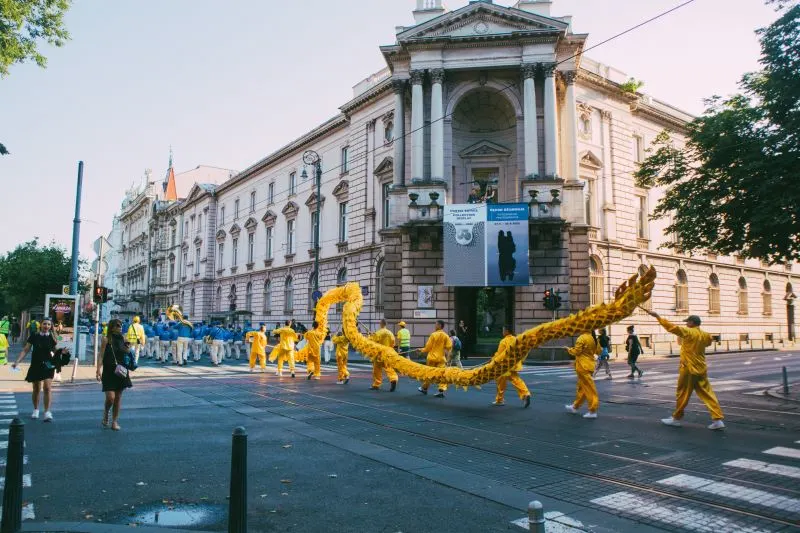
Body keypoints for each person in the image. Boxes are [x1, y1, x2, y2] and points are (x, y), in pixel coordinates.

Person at [642, 310, 725, 430]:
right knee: (708, 393)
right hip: (701, 368)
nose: (686, 324)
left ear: (692, 322)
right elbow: (708, 343)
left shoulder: (688, 331)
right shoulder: (706, 335)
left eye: (687, 322)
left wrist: (658, 317)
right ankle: (718, 419)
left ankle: (676, 419)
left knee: (682, 393)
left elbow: (671, 328)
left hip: (688, 368)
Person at [12, 317, 58, 422]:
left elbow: (56, 351)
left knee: (47, 388)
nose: (46, 326)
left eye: (49, 324)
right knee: (36, 388)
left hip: (48, 364)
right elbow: (26, 350)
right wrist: (17, 361)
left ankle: (47, 412)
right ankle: (36, 410)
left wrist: (60, 358)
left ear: (51, 327)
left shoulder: (52, 337)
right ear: (40, 325)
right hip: (36, 364)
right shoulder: (34, 336)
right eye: (45, 324)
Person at [95, 319, 132, 431]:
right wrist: (98, 369)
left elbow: (127, 354)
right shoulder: (106, 339)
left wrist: (128, 348)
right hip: (109, 371)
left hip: (121, 370)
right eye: (117, 325)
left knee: (118, 397)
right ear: (112, 327)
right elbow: (101, 355)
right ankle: (106, 412)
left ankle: (115, 421)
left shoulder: (123, 338)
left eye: (121, 325)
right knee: (111, 397)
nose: (120, 327)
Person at [491, 326, 531, 408]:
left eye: (503, 330)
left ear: (507, 331)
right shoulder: (516, 339)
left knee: (500, 383)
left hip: (504, 366)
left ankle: (499, 400)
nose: (502, 332)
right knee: (516, 380)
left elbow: (500, 355)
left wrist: (493, 360)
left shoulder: (503, 341)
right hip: (513, 364)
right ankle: (525, 393)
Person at [565, 330, 601, 419]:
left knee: (589, 388)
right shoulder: (593, 338)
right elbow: (598, 351)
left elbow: (576, 352)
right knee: (582, 388)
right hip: (590, 365)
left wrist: (568, 349)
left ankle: (592, 411)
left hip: (582, 366)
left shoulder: (581, 338)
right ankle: (575, 407)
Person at [418, 320, 452, 398]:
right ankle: (441, 389)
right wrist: (448, 359)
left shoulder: (433, 335)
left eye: (436, 324)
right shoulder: (446, 336)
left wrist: (421, 350)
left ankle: (424, 388)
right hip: (441, 358)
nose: (435, 325)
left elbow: (428, 348)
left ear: (440, 325)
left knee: (429, 374)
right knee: (442, 374)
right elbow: (449, 348)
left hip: (432, 358)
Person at [369, 319, 398, 391]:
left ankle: (376, 384)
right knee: (389, 368)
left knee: (377, 369)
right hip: (387, 353)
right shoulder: (390, 333)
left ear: (380, 324)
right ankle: (393, 379)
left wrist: (370, 336)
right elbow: (393, 344)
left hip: (379, 354)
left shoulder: (378, 333)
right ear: (386, 324)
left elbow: (373, 343)